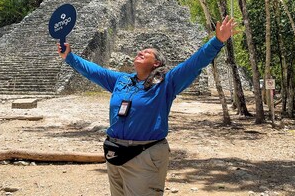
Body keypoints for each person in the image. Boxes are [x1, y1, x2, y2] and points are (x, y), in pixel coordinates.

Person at [57, 16, 238, 196]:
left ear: (156, 63)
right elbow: (93, 71)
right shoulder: (122, 80)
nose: (140, 52)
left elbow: (194, 63)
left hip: (145, 155)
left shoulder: (166, 82)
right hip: (115, 152)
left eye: (147, 52)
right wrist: (70, 57)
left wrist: (217, 41)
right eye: (140, 51)